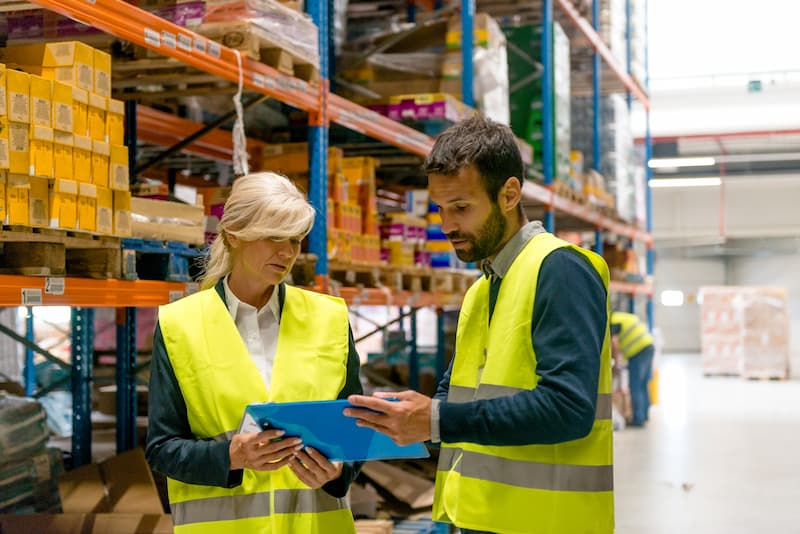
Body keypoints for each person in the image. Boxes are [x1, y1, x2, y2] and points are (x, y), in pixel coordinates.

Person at [345, 115, 614, 534]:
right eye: (441, 209)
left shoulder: (560, 270)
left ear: (509, 194)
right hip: (475, 520)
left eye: (462, 207)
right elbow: (453, 400)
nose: (448, 225)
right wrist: (389, 420)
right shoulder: (482, 289)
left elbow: (569, 409)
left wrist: (435, 419)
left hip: (544, 524)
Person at [146, 172, 362, 533]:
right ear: (233, 234)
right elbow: (162, 447)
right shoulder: (179, 324)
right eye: (274, 237)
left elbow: (356, 428)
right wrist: (231, 455)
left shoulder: (330, 319)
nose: (288, 252)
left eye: (295, 239)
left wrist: (341, 469)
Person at [610, 311, 655, 427]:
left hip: (638, 351)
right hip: (649, 346)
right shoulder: (623, 316)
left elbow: (614, 342)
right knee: (643, 384)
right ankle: (644, 415)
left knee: (635, 385)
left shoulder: (614, 321)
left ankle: (638, 419)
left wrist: (615, 363)